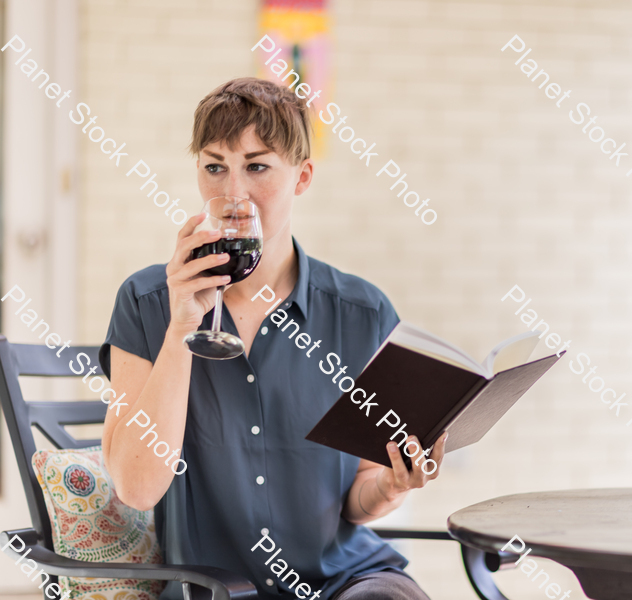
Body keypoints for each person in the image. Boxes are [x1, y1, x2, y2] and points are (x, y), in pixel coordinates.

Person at [99, 77, 446, 600]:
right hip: (214, 589)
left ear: (302, 177)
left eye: (257, 167)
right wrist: (180, 330)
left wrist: (392, 486)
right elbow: (137, 487)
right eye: (215, 166)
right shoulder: (147, 303)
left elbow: (359, 501)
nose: (233, 193)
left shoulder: (362, 313)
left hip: (346, 583)